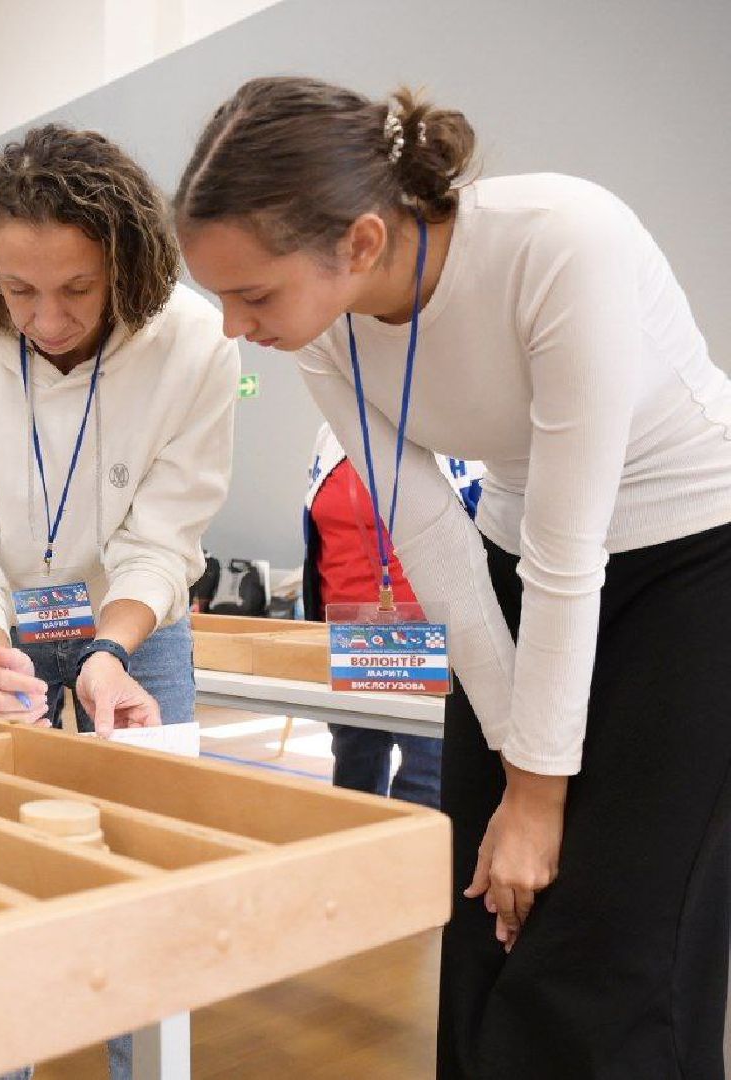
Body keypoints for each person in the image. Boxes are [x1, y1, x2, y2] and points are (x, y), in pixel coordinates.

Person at [177, 76, 731, 1077]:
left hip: (691, 563)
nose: (231, 328)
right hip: (518, 555)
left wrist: (539, 794)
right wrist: (520, 778)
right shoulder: (326, 334)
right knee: (486, 901)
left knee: (611, 931)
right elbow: (433, 537)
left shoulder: (563, 242)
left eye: (251, 295)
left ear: (360, 241)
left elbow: (572, 548)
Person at [0, 124, 238, 1080]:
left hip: (137, 634)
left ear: (127, 264)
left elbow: (165, 538)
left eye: (78, 290)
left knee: (143, 866)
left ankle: (144, 1064)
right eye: (19, 290)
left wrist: (109, 651)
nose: (47, 319)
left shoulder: (195, 344)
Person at [303, 422, 443, 808]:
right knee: (354, 764)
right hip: (348, 629)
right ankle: (359, 843)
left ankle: (412, 845)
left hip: (422, 631)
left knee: (426, 771)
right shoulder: (331, 434)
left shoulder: (434, 425)